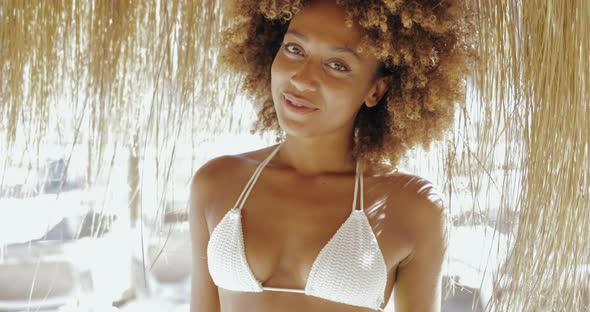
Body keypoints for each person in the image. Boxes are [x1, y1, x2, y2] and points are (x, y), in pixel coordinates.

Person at [189, 0, 472, 311]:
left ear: (375, 90)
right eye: (295, 49)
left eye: (337, 65)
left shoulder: (413, 207)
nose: (302, 79)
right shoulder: (216, 183)